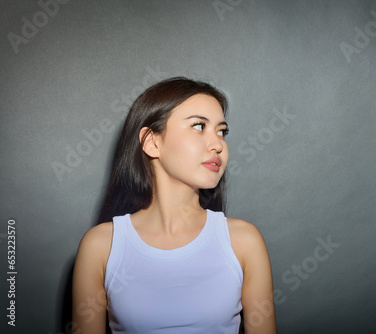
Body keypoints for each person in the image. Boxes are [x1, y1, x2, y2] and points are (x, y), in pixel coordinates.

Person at [72, 77, 276, 334]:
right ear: (152, 142)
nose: (218, 144)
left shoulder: (244, 241)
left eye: (222, 131)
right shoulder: (100, 246)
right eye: (199, 126)